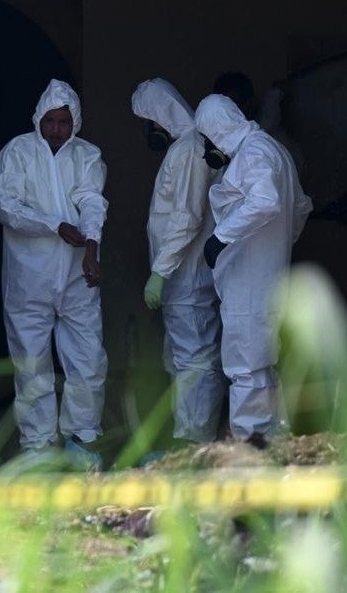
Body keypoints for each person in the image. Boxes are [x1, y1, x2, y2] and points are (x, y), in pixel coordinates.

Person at [0, 79, 108, 469]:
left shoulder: (87, 156)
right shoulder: (17, 153)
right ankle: (39, 445)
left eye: (64, 121)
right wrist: (53, 225)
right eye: (51, 121)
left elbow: (92, 200)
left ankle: (83, 438)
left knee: (87, 358)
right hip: (30, 278)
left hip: (77, 276)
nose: (57, 129)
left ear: (76, 121)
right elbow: (5, 205)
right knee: (31, 360)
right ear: (38, 118)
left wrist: (91, 246)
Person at [194, 94, 312, 444]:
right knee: (261, 365)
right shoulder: (272, 150)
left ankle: (249, 447)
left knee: (244, 366)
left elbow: (265, 201)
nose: (206, 148)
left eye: (206, 139)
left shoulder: (253, 153)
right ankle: (269, 441)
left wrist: (220, 238)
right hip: (266, 272)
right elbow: (300, 208)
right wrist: (278, 245)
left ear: (217, 130)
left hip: (249, 278)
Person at [131, 79, 223, 444]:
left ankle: (194, 446)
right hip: (183, 279)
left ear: (158, 118)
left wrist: (160, 272)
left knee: (195, 361)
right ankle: (188, 442)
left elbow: (187, 217)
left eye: (147, 122)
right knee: (185, 360)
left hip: (186, 279)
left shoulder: (188, 150)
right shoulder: (189, 146)